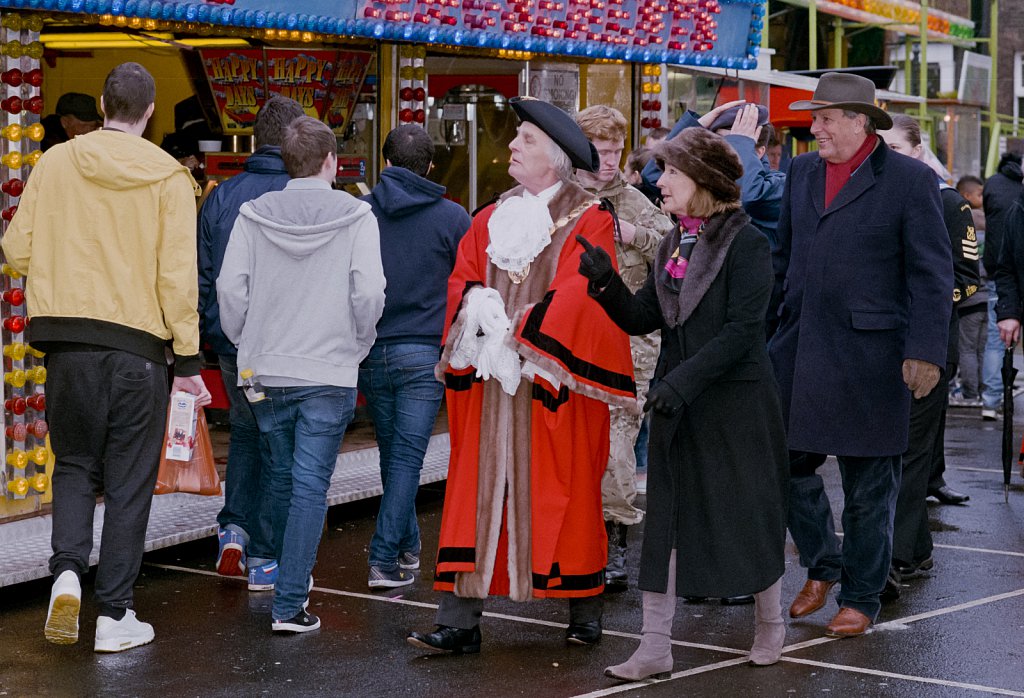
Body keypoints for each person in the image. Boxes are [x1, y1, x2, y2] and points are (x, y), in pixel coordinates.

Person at [406, 97, 636, 654]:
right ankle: (459, 622)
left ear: (554, 159)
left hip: (552, 385)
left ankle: (585, 610)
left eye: (526, 140)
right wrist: (473, 308)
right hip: (490, 386)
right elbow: (462, 273)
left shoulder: (591, 218)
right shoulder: (489, 216)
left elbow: (583, 294)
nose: (512, 146)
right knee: (472, 495)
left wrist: (523, 334)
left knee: (571, 492)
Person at [2, 62, 211, 652]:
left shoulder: (56, 161)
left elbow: (16, 248)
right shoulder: (170, 177)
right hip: (138, 353)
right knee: (127, 482)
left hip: (67, 348)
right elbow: (177, 278)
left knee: (72, 465)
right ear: (147, 113)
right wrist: (189, 363)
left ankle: (66, 571)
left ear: (101, 103)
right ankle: (115, 614)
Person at [578, 127, 789, 678]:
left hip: (735, 405)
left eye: (671, 172)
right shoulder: (674, 242)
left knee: (748, 515)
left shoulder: (748, 243)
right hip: (679, 402)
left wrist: (676, 384)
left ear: (704, 181)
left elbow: (743, 333)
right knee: (667, 523)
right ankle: (654, 646)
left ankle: (771, 626)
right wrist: (605, 284)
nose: (659, 180)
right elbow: (644, 316)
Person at [770, 72, 952, 638]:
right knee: (786, 465)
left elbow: (931, 272)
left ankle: (863, 596)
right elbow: (782, 259)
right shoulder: (799, 171)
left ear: (859, 121)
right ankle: (823, 566)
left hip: (874, 356)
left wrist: (925, 351)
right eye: (815, 117)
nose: (815, 126)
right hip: (798, 348)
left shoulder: (909, 181)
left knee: (869, 485)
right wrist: (765, 334)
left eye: (825, 117)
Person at [217, 116, 385, 633]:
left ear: (286, 161)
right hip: (329, 369)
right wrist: (357, 345)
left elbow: (230, 290)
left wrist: (249, 341)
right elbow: (369, 294)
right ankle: (290, 603)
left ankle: (278, 576)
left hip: (266, 369)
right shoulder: (358, 215)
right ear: (332, 161)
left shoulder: (251, 214)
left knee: (283, 475)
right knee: (311, 484)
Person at [197, 95, 306, 588]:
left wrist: (208, 332)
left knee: (244, 431)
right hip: (288, 341)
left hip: (231, 340)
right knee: (280, 442)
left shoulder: (221, 195)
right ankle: (265, 555)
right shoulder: (303, 192)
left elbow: (202, 274)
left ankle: (233, 529)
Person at [359, 125, 471, 589]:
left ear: (384, 163)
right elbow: (469, 285)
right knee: (405, 458)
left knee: (394, 455)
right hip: (424, 353)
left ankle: (406, 550)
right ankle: (384, 559)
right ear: (430, 167)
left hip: (370, 351)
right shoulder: (453, 218)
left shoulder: (360, 213)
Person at [573, 105, 674, 592]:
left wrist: (634, 234)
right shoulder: (561, 198)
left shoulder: (634, 201)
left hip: (628, 345)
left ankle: (612, 543)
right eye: (601, 152)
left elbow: (675, 249)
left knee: (616, 448)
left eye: (616, 152)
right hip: (568, 342)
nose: (610, 161)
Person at [879, 114, 979, 596]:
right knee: (891, 450)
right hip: (881, 344)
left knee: (910, 454)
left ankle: (896, 556)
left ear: (919, 150)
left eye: (897, 147)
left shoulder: (947, 202)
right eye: (883, 148)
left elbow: (966, 278)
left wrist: (916, 307)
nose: (889, 155)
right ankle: (915, 548)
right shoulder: (873, 196)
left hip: (929, 344)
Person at [642, 100, 785, 246]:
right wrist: (698, 125)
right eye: (717, 143)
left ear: (759, 151)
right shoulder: (709, 181)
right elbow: (654, 175)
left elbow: (746, 198)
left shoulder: (778, 185)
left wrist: (741, 144)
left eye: (730, 144)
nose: (719, 151)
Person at [981, 153, 1023, 420]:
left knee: (995, 343)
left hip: (1000, 278)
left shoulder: (994, 185)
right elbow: (1007, 261)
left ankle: (990, 399)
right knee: (998, 342)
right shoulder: (1018, 207)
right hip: (1007, 280)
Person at [952, 175, 987, 410]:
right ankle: (987, 390)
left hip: (969, 299)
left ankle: (969, 392)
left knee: (966, 348)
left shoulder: (961, 221)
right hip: (989, 297)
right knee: (983, 348)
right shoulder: (991, 221)